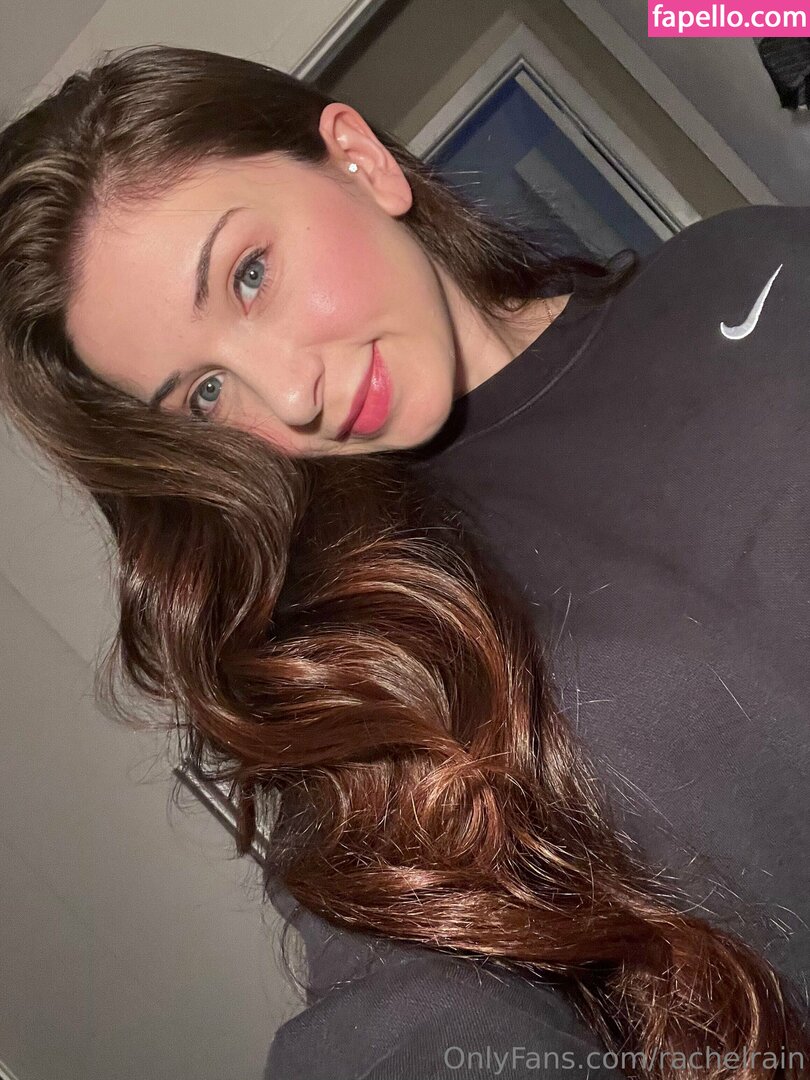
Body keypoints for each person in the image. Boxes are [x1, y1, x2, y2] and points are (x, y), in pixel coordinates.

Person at [0, 44, 806, 1080]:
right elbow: (409, 1007)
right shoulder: (363, 658)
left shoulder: (745, 270)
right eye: (204, 395)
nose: (287, 397)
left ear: (359, 161)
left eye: (250, 276)